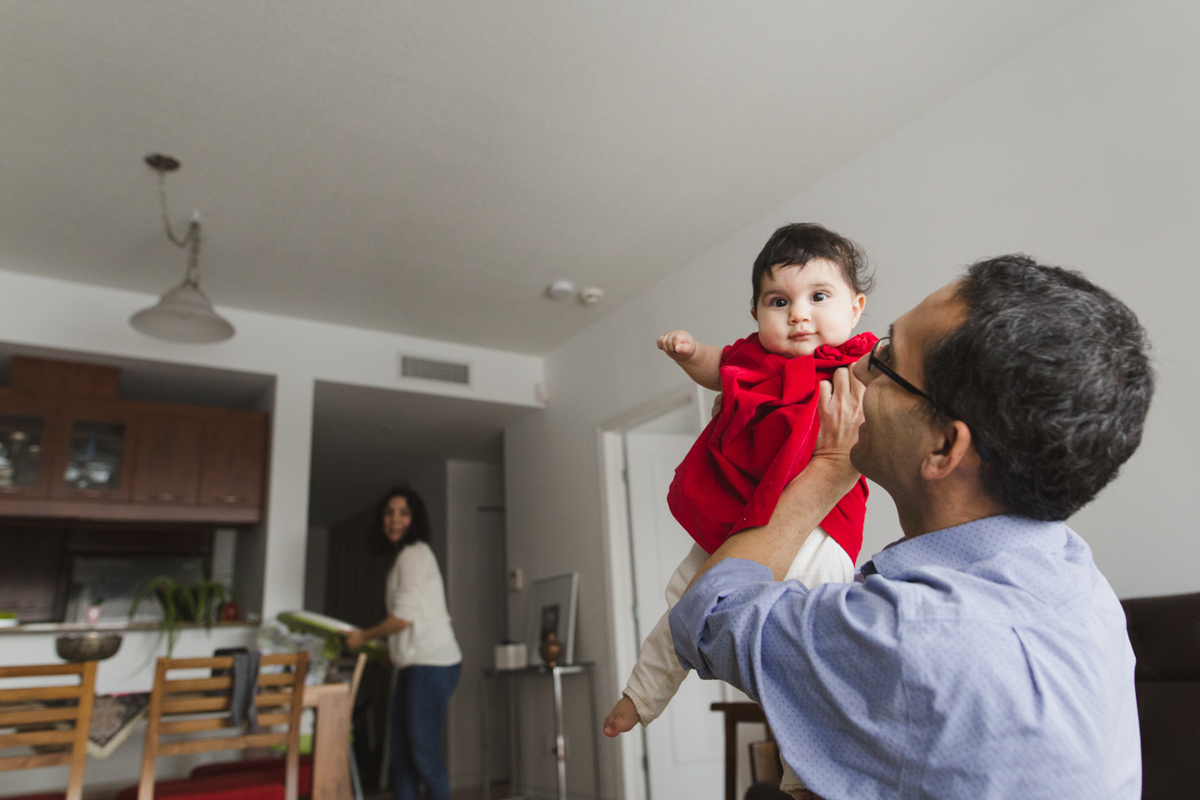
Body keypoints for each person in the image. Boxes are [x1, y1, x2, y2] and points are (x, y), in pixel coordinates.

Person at [670, 255, 1153, 799]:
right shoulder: (1077, 575)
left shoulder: (912, 634)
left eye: (885, 360)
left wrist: (828, 466)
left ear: (945, 445)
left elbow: (708, 615)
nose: (854, 370)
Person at [606, 223, 877, 796]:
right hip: (741, 519)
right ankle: (643, 692)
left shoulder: (858, 365)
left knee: (818, 642)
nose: (799, 314)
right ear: (756, 313)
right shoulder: (751, 359)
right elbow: (714, 367)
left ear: (855, 308)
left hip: (822, 528)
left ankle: (805, 774)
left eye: (818, 297)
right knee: (686, 598)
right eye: (779, 302)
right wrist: (688, 354)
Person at [345, 488, 462, 800]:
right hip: (414, 664)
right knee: (402, 760)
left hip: (432, 664)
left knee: (423, 757)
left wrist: (364, 636)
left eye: (403, 512)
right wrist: (391, 653)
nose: (395, 519)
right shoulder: (404, 558)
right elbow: (408, 621)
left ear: (415, 519)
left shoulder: (414, 554)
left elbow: (404, 618)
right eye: (389, 512)